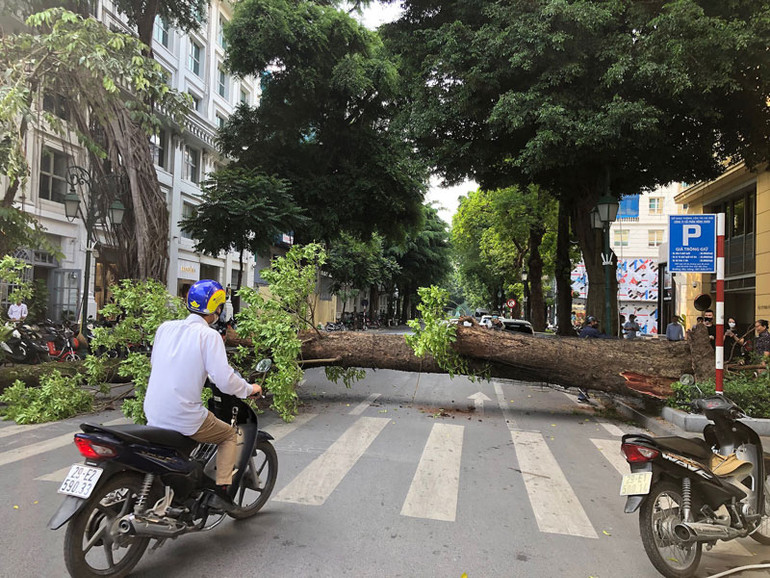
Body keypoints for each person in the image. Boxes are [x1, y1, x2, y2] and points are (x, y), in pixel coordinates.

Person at [143, 279, 262, 510]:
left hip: (153, 411)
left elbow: (158, 363)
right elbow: (225, 380)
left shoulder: (165, 328)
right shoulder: (209, 336)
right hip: (183, 415)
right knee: (228, 435)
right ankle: (221, 493)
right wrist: (249, 389)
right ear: (217, 308)